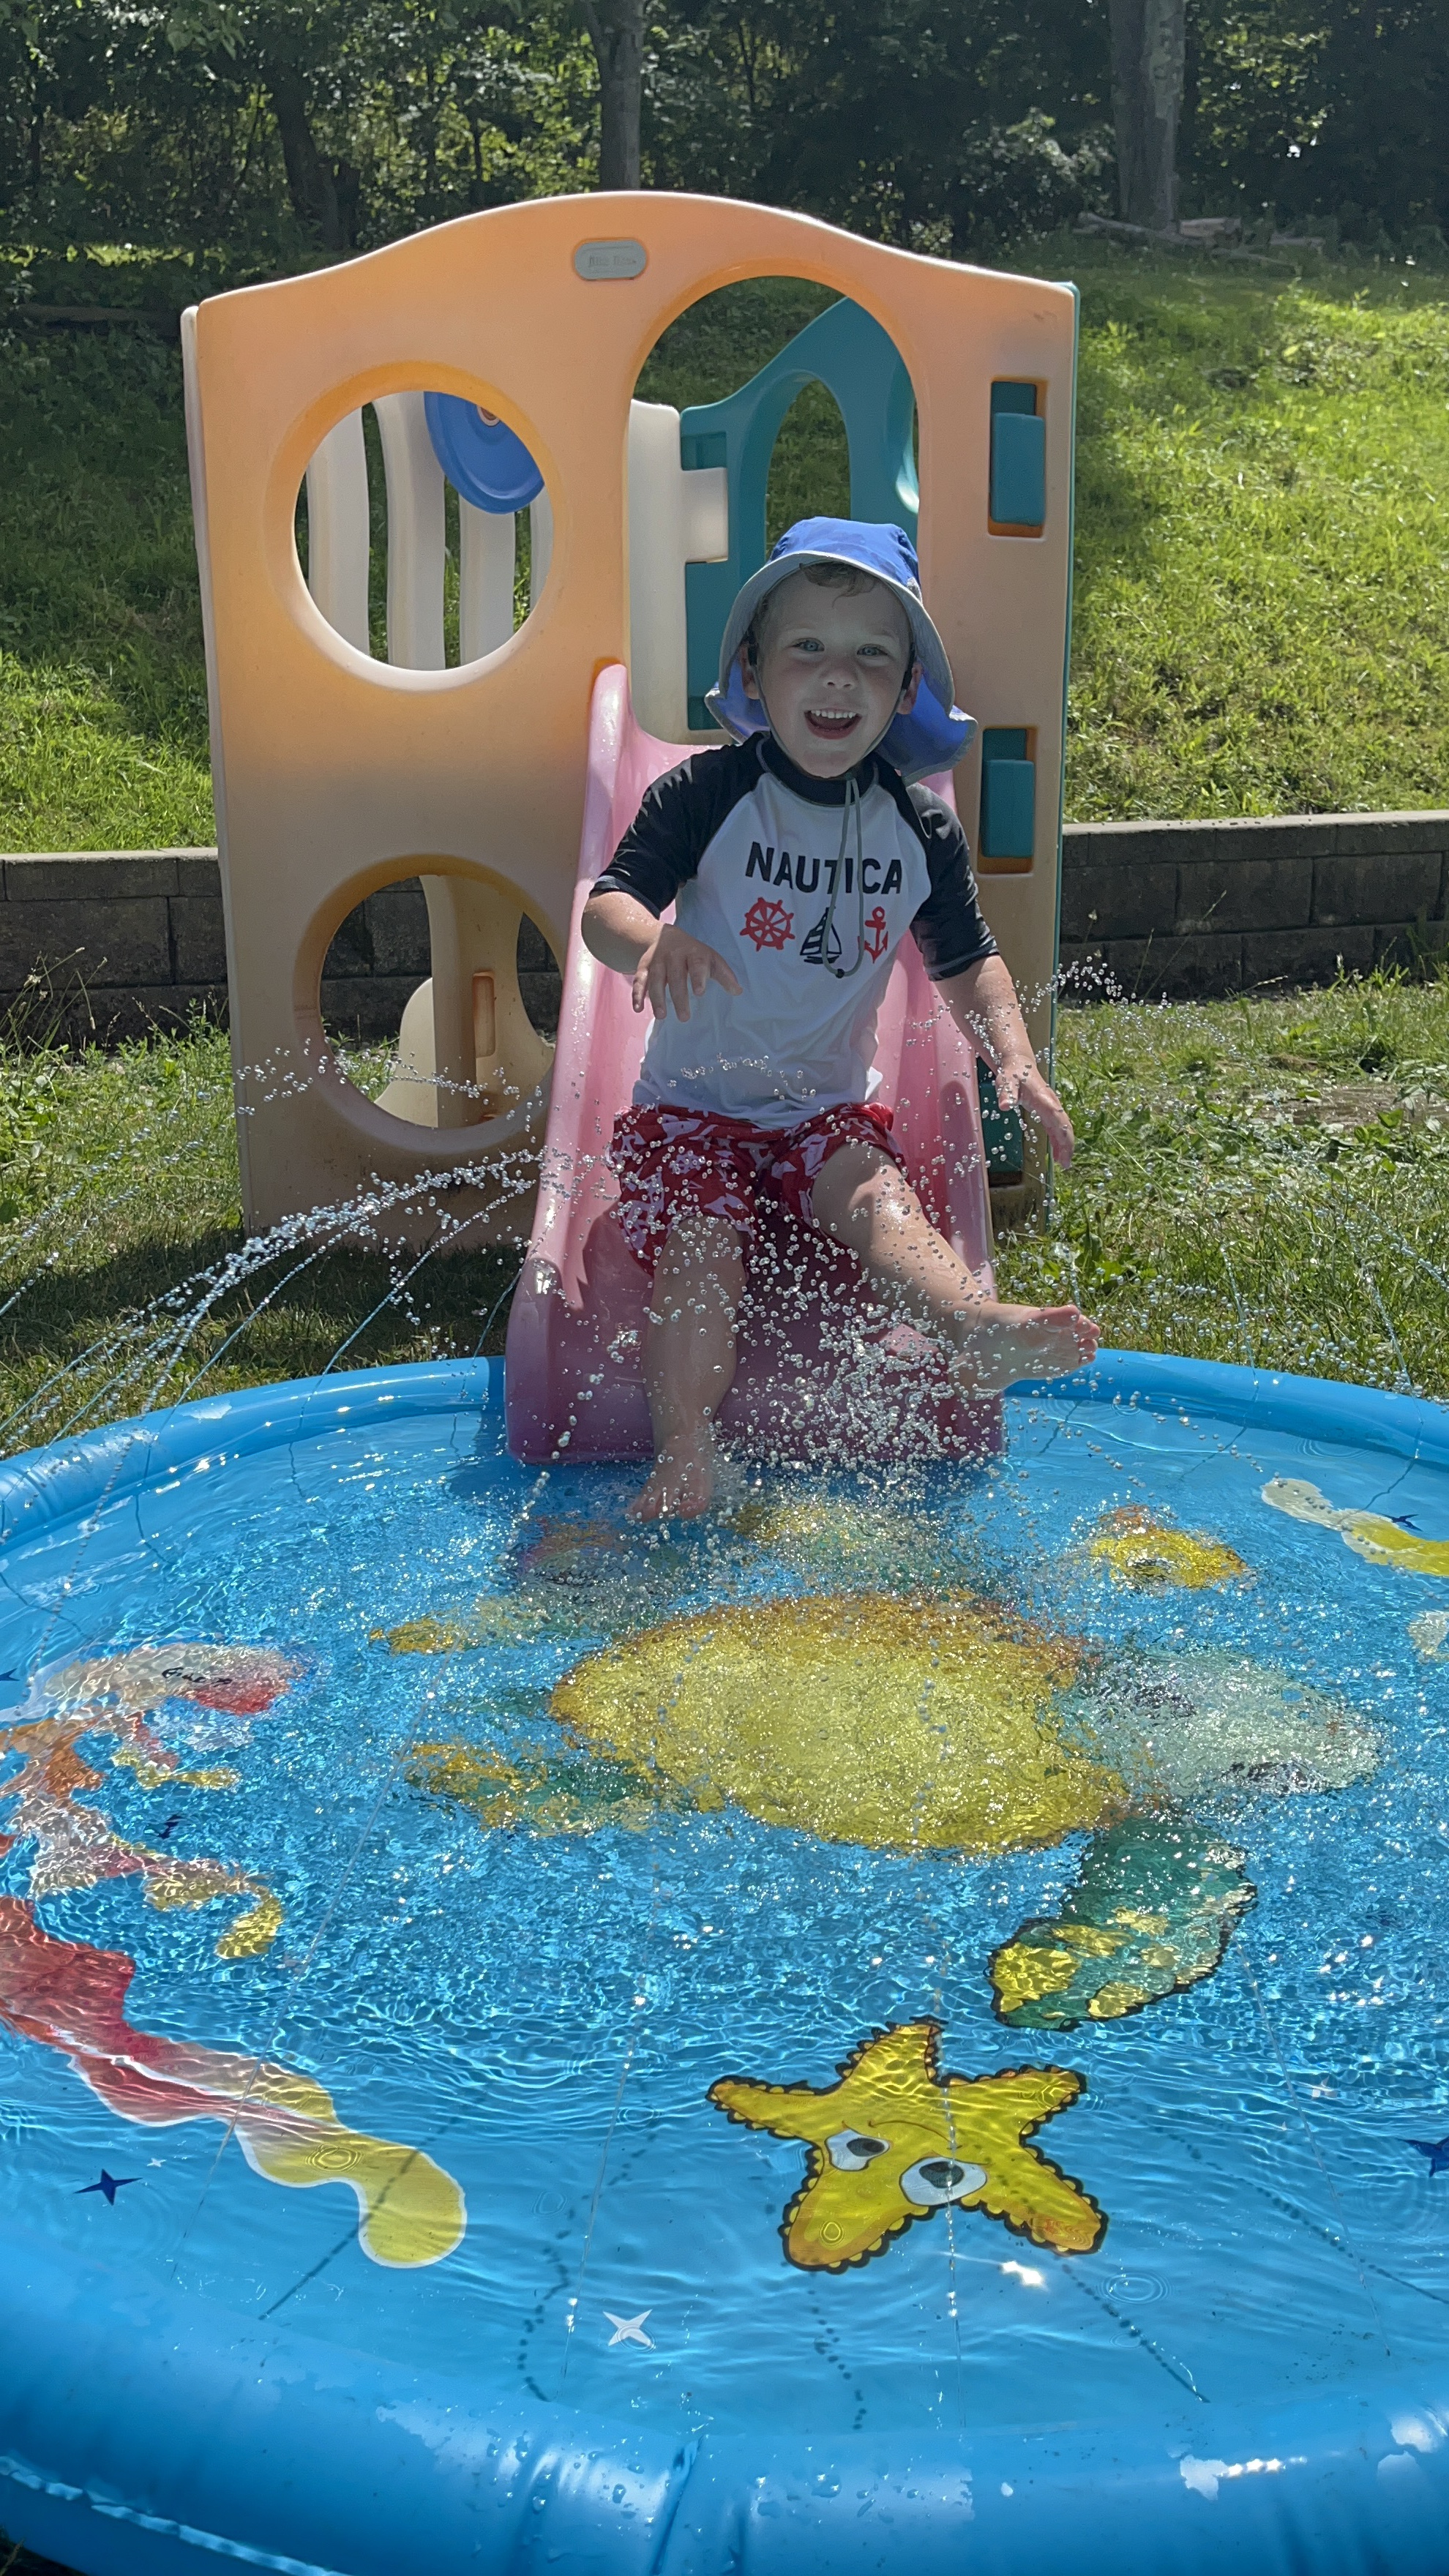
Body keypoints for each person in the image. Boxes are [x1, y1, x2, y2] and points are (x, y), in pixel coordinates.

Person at [583, 519, 1098, 1520]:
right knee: (702, 1251)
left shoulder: (918, 826)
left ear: (905, 692)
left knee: (880, 1201)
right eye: (807, 648)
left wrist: (1014, 1055)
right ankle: (685, 1450)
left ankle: (972, 1329)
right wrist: (652, 942)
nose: (837, 677)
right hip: (692, 1115)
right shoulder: (708, 793)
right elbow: (609, 906)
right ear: (753, 670)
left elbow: (968, 963)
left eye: (871, 656)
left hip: (825, 1118)